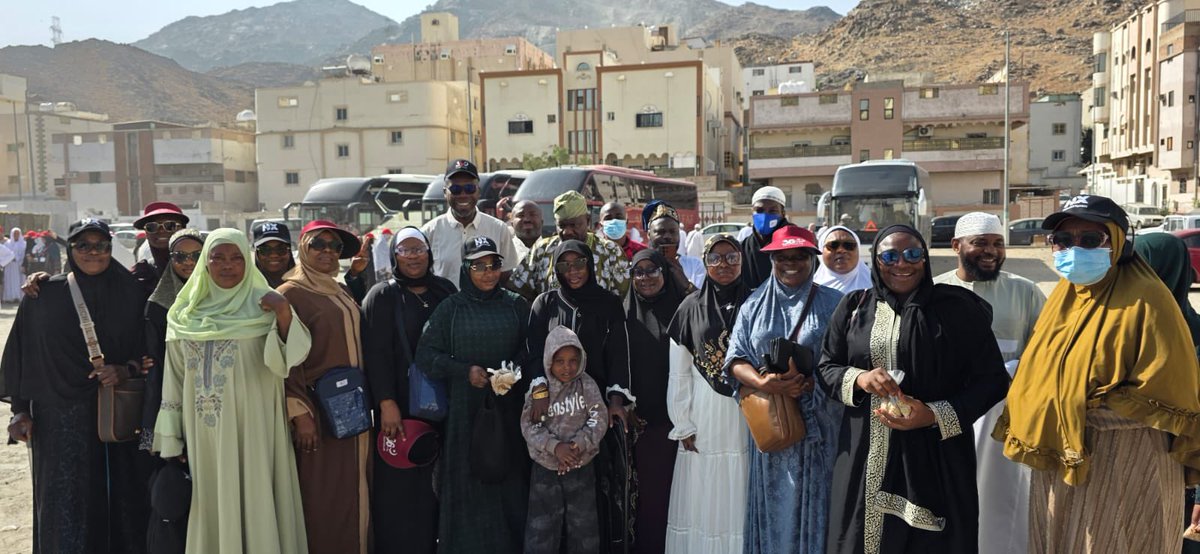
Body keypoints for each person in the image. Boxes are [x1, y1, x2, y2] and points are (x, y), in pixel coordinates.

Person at [994, 195, 1200, 553]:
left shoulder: (1148, 299)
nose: (1074, 249)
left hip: (1124, 461)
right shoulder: (1063, 298)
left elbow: (1169, 392)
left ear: (1118, 242)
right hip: (1058, 459)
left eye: (1090, 239)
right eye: (1062, 240)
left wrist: (1077, 403)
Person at [818, 224, 1009, 554]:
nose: (902, 264)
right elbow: (826, 367)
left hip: (937, 458)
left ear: (925, 259)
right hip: (865, 455)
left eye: (912, 254)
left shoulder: (958, 309)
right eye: (890, 256)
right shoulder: (854, 307)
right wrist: (860, 379)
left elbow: (992, 380)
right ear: (876, 260)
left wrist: (934, 414)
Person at [154, 228, 310, 553]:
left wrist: (283, 312)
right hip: (203, 434)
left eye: (236, 257)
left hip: (255, 428)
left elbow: (291, 359)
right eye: (218, 257)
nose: (228, 265)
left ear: (247, 261)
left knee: (256, 493)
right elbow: (175, 377)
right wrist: (171, 436)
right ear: (205, 263)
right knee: (213, 501)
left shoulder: (265, 305)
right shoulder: (184, 314)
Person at [1, 219, 149, 553]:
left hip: (115, 418)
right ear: (70, 249)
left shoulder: (130, 292)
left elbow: (147, 349)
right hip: (58, 421)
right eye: (84, 245)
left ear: (111, 249)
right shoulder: (44, 295)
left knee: (120, 504)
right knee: (64, 505)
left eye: (101, 245)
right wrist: (20, 410)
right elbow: (23, 354)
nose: (93, 252)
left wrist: (124, 369)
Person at [723, 224, 843, 554]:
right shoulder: (753, 304)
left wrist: (810, 383)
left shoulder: (835, 303)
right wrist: (763, 382)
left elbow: (847, 362)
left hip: (819, 427)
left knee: (818, 504)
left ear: (813, 259)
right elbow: (735, 359)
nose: (791, 263)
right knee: (773, 509)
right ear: (771, 260)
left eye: (799, 256)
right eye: (782, 257)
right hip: (774, 426)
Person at [930, 212, 1044, 554]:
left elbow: (1047, 351)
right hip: (951, 416)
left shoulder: (1025, 291)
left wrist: (1012, 369)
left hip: (1007, 420)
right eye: (980, 243)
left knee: (1003, 502)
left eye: (997, 243)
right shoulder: (935, 292)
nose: (990, 251)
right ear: (956, 245)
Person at [415, 236, 532, 554]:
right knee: (469, 486)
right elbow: (426, 355)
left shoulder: (515, 305)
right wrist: (464, 372)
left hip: (508, 411)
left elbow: (532, 348)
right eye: (478, 266)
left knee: (510, 483)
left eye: (493, 265)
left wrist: (512, 372)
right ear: (465, 269)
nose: (488, 273)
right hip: (464, 415)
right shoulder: (450, 309)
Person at [525, 240, 636, 548]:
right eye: (565, 265)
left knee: (588, 502)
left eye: (579, 263)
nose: (573, 271)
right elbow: (532, 351)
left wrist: (615, 401)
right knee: (546, 507)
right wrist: (539, 390)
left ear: (590, 264)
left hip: (591, 412)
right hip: (551, 413)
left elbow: (618, 354)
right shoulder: (545, 303)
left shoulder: (608, 303)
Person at [361, 227, 457, 554]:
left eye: (419, 249)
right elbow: (375, 354)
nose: (413, 256)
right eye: (405, 250)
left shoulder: (444, 290)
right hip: (400, 408)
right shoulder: (382, 296)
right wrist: (386, 402)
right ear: (394, 256)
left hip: (442, 405)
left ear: (429, 253)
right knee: (400, 489)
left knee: (437, 487)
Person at [277, 220, 371, 554]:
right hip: (318, 413)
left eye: (335, 247)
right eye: (319, 244)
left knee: (354, 488)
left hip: (351, 411)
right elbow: (285, 359)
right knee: (323, 495)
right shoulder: (290, 294)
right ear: (303, 248)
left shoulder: (338, 289)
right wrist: (300, 414)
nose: (328, 252)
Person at [665, 234, 752, 553]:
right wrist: (682, 421)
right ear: (704, 263)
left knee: (739, 483)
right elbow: (679, 371)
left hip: (747, 412)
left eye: (732, 257)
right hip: (703, 414)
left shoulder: (756, 303)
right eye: (715, 258)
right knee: (705, 487)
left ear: (742, 261)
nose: (723, 264)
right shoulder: (689, 308)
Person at [1133, 232, 1200, 551]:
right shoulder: (1126, 333)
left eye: (1144, 269)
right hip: (1131, 475)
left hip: (1183, 479)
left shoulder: (1194, 336)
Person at [520, 326, 608, 554]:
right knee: (541, 530)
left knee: (584, 529)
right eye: (559, 361)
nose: (567, 367)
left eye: (572, 361)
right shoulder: (540, 391)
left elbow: (599, 417)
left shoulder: (586, 385)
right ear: (549, 360)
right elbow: (529, 426)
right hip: (545, 470)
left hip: (581, 467)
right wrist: (555, 447)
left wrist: (579, 444)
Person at [624, 248, 687, 553]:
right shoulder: (623, 313)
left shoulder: (684, 310)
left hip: (681, 424)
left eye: (652, 270)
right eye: (638, 271)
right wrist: (626, 404)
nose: (645, 277)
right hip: (642, 425)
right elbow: (617, 364)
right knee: (649, 499)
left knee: (680, 495)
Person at [141, 229, 204, 451]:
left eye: (197, 255)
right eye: (180, 256)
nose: (189, 262)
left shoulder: (223, 297)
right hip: (174, 391)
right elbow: (156, 364)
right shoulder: (158, 304)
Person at [421, 159, 519, 289]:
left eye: (469, 188)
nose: (463, 195)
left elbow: (506, 277)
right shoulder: (429, 232)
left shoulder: (499, 229)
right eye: (455, 189)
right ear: (445, 192)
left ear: (478, 191)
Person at [511, 191, 629, 299]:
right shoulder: (541, 249)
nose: (567, 232)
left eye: (574, 225)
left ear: (588, 221)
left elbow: (624, 295)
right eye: (561, 226)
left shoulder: (610, 250)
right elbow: (518, 287)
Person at [131, 202, 191, 295]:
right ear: (146, 233)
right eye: (151, 227)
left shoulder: (199, 269)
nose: (161, 231)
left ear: (182, 230)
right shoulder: (139, 276)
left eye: (170, 225)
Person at [643, 201, 705, 290]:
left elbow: (702, 297)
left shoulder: (695, 265)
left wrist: (685, 283)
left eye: (673, 232)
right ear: (649, 235)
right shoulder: (640, 267)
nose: (667, 236)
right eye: (661, 232)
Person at [740, 186, 791, 289]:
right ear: (752, 212)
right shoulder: (743, 247)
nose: (765, 215)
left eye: (772, 211)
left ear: (783, 213)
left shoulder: (796, 242)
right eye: (759, 210)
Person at [813, 225, 872, 293]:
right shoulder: (810, 292)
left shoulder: (875, 287)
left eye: (849, 245)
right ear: (821, 250)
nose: (841, 250)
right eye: (833, 245)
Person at [252, 221, 296, 288]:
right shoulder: (247, 287)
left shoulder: (304, 285)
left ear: (289, 251)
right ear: (256, 253)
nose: (274, 255)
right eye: (265, 249)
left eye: (280, 249)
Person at [3, 227, 27, 302]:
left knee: (19, 281)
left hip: (19, 265)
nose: (16, 235)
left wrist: (18, 259)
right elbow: (4, 253)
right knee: (9, 281)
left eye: (17, 233)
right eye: (14, 233)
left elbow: (24, 254)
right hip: (9, 265)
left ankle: (18, 297)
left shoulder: (24, 244)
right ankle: (9, 297)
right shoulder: (7, 243)